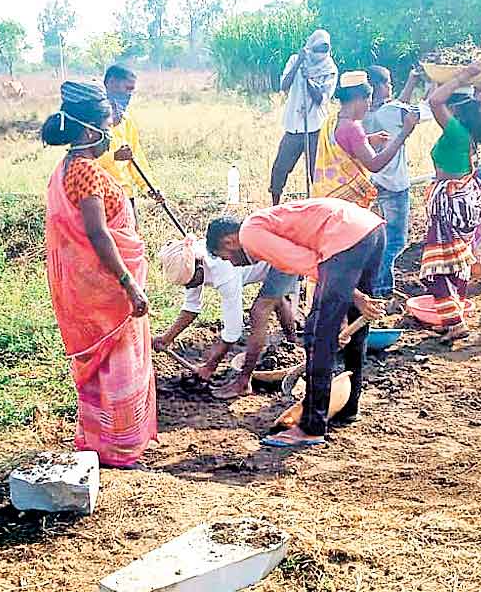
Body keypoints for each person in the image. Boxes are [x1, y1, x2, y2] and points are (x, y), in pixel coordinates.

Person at [208, 198, 386, 448]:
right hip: (371, 229)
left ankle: (312, 427)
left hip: (344, 238)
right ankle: (349, 407)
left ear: (229, 242)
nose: (231, 263)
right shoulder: (263, 223)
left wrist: (351, 293)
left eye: (225, 257)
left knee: (318, 335)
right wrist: (351, 294)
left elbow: (304, 261)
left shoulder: (250, 234)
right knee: (358, 325)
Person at [42, 80, 157, 467]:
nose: (111, 134)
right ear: (91, 131)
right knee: (117, 366)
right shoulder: (87, 172)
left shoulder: (68, 167)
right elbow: (97, 233)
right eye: (107, 127)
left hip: (92, 286)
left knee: (104, 369)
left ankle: (99, 440)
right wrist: (128, 284)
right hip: (106, 289)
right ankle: (118, 448)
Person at [154, 227, 299, 399]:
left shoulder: (223, 270)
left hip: (282, 257)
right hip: (268, 255)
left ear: (199, 266)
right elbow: (191, 307)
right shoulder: (189, 263)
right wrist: (167, 338)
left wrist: (210, 366)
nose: (191, 286)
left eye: (192, 282)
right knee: (277, 299)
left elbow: (233, 331)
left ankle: (244, 382)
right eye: (187, 285)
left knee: (258, 313)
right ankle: (292, 345)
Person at [421, 62, 481, 343]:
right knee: (457, 263)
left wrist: (462, 77)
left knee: (438, 268)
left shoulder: (456, 132)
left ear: (454, 108)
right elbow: (437, 97)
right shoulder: (466, 132)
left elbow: (434, 101)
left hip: (450, 205)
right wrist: (476, 86)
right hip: (464, 201)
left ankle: (455, 322)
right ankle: (453, 316)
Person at [364, 66, 426, 299]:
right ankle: (379, 288)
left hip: (374, 182)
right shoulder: (390, 111)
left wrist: (412, 81)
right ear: (378, 86)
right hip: (394, 184)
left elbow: (398, 107)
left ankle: (380, 285)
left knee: (381, 237)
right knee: (395, 241)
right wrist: (437, 86)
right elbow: (423, 111)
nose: (390, 87)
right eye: (388, 83)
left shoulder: (366, 113)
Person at [312, 70, 417, 208]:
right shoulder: (353, 128)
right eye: (368, 99)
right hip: (344, 205)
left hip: (326, 196)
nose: (369, 105)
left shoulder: (332, 120)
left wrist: (367, 140)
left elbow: (343, 144)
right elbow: (374, 165)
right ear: (358, 98)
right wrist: (403, 134)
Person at [269, 30, 338, 205]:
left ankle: (318, 206)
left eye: (324, 50)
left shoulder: (329, 68)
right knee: (280, 167)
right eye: (317, 49)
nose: (320, 54)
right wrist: (299, 63)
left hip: (316, 126)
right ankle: (275, 204)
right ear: (309, 47)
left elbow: (321, 98)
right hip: (294, 124)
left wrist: (308, 80)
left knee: (316, 172)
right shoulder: (295, 60)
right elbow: (284, 85)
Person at [95, 64, 160, 229]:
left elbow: (136, 157)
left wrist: (149, 187)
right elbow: (84, 159)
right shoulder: (92, 120)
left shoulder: (126, 120)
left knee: (131, 239)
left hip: (125, 194)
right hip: (98, 196)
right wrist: (114, 156)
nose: (129, 95)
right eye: (127, 89)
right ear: (111, 83)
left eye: (132, 90)